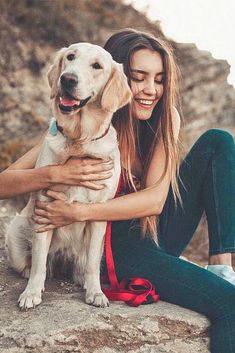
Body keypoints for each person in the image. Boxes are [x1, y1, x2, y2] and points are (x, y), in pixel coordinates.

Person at [1, 28, 235, 352]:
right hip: (118, 250)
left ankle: (223, 267)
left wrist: (78, 211)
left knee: (218, 142)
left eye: (159, 79)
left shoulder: (166, 117)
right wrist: (57, 173)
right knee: (229, 305)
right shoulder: (78, 124)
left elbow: (154, 200)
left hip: (152, 233)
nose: (150, 90)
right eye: (138, 77)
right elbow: (4, 184)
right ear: (114, 76)